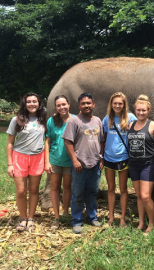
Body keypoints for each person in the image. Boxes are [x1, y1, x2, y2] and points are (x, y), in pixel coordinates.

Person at [62, 93, 105, 234]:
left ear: (93, 104)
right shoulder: (74, 121)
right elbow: (68, 141)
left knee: (93, 192)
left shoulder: (98, 120)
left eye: (89, 103)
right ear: (79, 105)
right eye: (83, 103)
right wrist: (74, 160)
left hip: (95, 164)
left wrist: (101, 158)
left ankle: (92, 217)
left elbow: (102, 140)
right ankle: (77, 220)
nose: (86, 105)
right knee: (78, 193)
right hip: (80, 164)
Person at [6, 93, 46, 232]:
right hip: (19, 158)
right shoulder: (16, 120)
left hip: (38, 157)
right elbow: (10, 143)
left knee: (34, 190)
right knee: (21, 191)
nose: (32, 104)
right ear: (25, 103)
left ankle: (31, 218)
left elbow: (48, 140)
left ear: (39, 103)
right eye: (29, 101)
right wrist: (10, 164)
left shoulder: (44, 120)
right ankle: (23, 218)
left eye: (34, 101)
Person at [127, 95, 154, 233]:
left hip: (148, 164)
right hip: (134, 164)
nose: (141, 113)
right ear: (135, 110)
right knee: (138, 196)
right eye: (138, 110)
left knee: (146, 196)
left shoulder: (153, 126)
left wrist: (153, 149)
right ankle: (141, 223)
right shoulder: (131, 125)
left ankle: (152, 224)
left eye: (144, 110)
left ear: (148, 111)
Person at [102, 92, 137, 227]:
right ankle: (111, 218)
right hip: (108, 157)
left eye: (120, 103)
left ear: (124, 105)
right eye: (115, 103)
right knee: (111, 188)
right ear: (111, 104)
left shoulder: (131, 118)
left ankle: (122, 218)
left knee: (123, 189)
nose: (117, 106)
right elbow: (104, 138)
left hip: (124, 157)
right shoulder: (107, 119)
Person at [44, 95, 73, 230]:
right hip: (55, 160)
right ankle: (56, 216)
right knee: (55, 188)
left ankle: (66, 212)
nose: (62, 107)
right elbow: (47, 141)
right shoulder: (51, 121)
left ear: (68, 104)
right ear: (56, 107)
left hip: (69, 161)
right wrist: (46, 161)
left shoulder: (75, 120)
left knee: (67, 187)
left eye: (63, 104)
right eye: (59, 105)